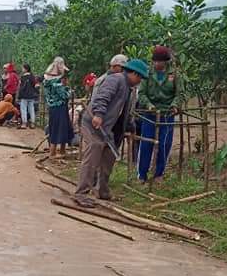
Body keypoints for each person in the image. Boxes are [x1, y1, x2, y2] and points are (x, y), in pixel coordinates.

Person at [74, 59, 148, 207]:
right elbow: (103, 97)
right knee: (94, 149)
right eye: (139, 77)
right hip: (92, 123)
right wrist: (99, 114)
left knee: (109, 155)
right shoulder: (116, 79)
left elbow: (124, 113)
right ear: (133, 73)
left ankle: (102, 190)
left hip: (107, 129)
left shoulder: (130, 90)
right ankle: (81, 193)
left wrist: (130, 127)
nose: (140, 81)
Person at [137, 46, 181, 182]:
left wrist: (175, 104)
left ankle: (159, 174)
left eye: (160, 61)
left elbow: (180, 93)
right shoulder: (147, 73)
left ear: (165, 62)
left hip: (167, 113)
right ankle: (142, 174)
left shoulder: (175, 74)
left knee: (164, 143)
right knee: (146, 143)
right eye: (155, 61)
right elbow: (142, 93)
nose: (157, 64)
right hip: (150, 113)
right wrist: (149, 105)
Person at [44, 57, 73, 160]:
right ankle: (53, 153)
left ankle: (62, 151)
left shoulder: (47, 79)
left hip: (53, 107)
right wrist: (68, 89)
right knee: (58, 129)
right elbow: (64, 95)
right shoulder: (56, 81)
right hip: (59, 107)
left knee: (58, 128)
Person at [17, 64, 39, 129]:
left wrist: (19, 96)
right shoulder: (32, 76)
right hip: (31, 95)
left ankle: (24, 123)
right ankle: (32, 123)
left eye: (23, 68)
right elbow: (35, 85)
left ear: (26, 69)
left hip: (24, 95)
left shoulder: (23, 77)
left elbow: (20, 87)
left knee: (23, 109)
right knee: (31, 109)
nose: (22, 69)